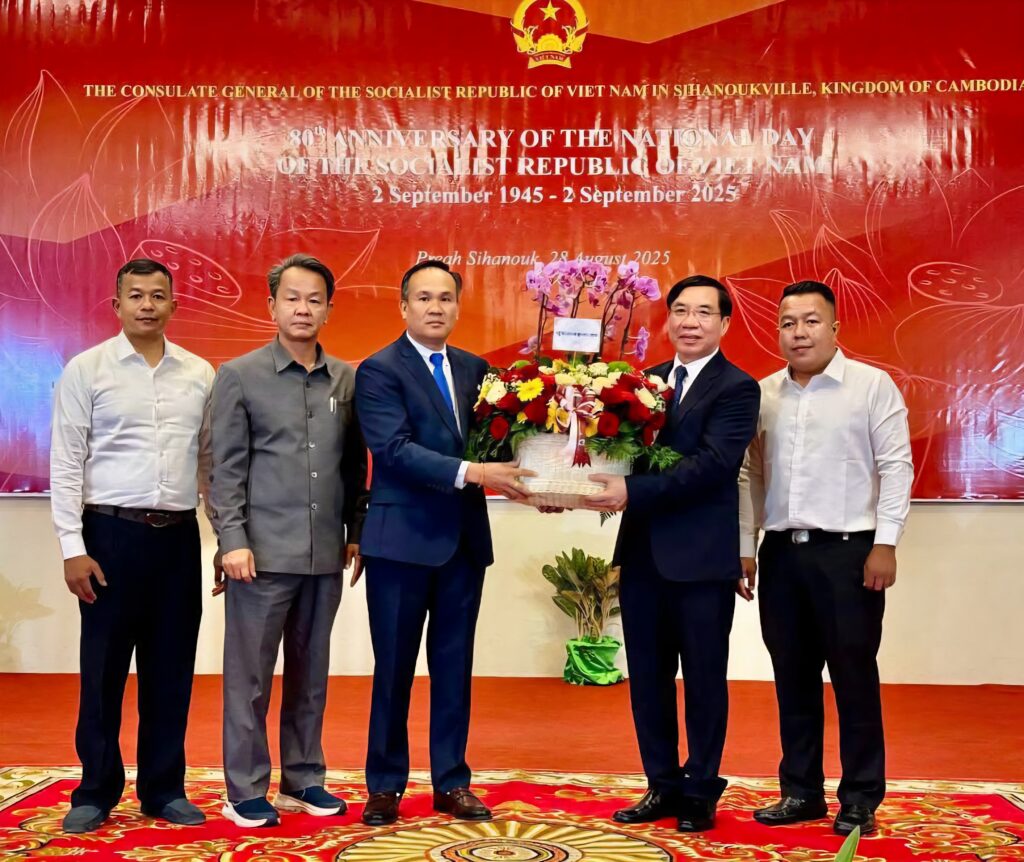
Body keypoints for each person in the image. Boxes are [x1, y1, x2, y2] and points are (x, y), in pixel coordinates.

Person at [353, 260, 532, 826]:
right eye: (424, 297)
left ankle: (452, 782)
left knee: (454, 669)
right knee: (394, 669)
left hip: (462, 546)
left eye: (446, 298)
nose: (436, 307)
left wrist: (541, 485)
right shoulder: (378, 370)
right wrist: (475, 473)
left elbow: (499, 447)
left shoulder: (478, 370)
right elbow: (393, 449)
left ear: (457, 307)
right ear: (404, 306)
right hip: (399, 544)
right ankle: (385, 785)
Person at [586, 274, 760, 832]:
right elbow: (619, 455)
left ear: (724, 323)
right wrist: (570, 484)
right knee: (647, 679)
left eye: (704, 312)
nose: (690, 321)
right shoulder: (645, 381)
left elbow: (713, 466)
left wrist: (631, 491)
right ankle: (660, 784)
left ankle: (701, 788)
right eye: (681, 310)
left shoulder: (738, 388)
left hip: (702, 559)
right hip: (642, 556)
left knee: (704, 678)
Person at [739, 280, 913, 836]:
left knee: (853, 676)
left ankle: (860, 797)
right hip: (781, 556)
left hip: (850, 554)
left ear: (835, 328)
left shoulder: (871, 386)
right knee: (792, 677)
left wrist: (885, 542)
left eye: (811, 321)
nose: (799, 332)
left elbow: (896, 466)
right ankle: (801, 792)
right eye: (788, 323)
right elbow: (750, 474)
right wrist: (745, 547)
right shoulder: (763, 394)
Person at [50, 258, 214, 833]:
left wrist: (225, 538)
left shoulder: (199, 373)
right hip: (109, 537)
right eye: (137, 295)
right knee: (103, 671)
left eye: (158, 295)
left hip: (178, 539)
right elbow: (66, 461)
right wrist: (72, 547)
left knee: (172, 669)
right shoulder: (87, 369)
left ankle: (164, 788)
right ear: (116, 304)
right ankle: (95, 789)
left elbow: (209, 463)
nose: (148, 305)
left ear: (174, 305)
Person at [209, 253, 368, 828]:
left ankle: (303, 780)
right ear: (272, 305)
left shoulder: (347, 379)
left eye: (314, 300)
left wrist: (355, 532)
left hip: (324, 554)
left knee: (311, 675)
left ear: (329, 309)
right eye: (292, 298)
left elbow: (354, 465)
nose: (303, 309)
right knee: (249, 680)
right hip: (259, 555)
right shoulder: (238, 375)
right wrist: (231, 539)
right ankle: (245, 789)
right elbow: (223, 468)